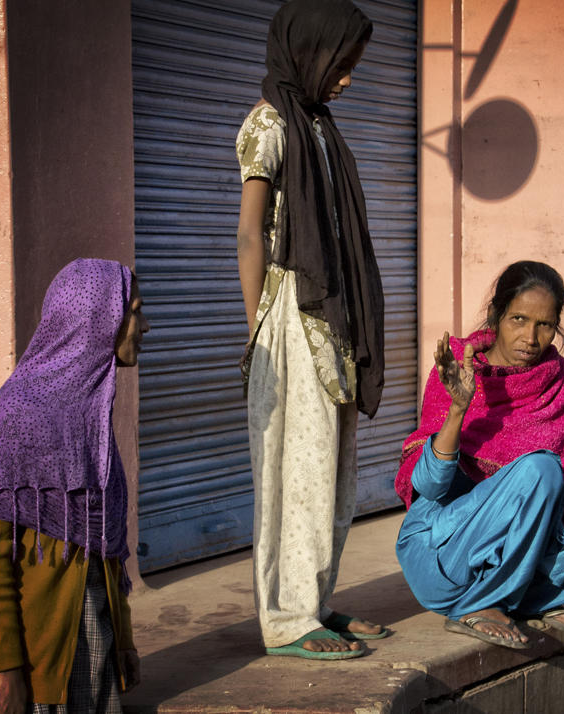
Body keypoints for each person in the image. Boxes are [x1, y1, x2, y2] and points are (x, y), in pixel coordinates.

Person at [234, 0, 386, 659]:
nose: (348, 78)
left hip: (332, 316)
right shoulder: (268, 124)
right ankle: (288, 619)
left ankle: (315, 601)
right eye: (342, 63)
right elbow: (248, 235)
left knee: (333, 464)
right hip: (291, 315)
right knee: (295, 466)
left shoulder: (320, 126)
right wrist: (257, 335)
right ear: (309, 52)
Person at [394, 261, 564, 649]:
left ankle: (539, 598)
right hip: (443, 555)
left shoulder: (556, 381)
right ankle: (482, 603)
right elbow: (428, 485)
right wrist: (458, 409)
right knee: (541, 468)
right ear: (497, 315)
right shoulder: (459, 368)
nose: (530, 337)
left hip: (521, 563)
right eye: (518, 319)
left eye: (544, 325)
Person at [0, 258, 149, 712]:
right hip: (35, 679)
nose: (146, 325)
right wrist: (4, 671)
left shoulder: (88, 423)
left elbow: (103, 549)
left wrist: (122, 639)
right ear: (96, 319)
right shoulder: (14, 421)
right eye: (136, 311)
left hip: (92, 665)